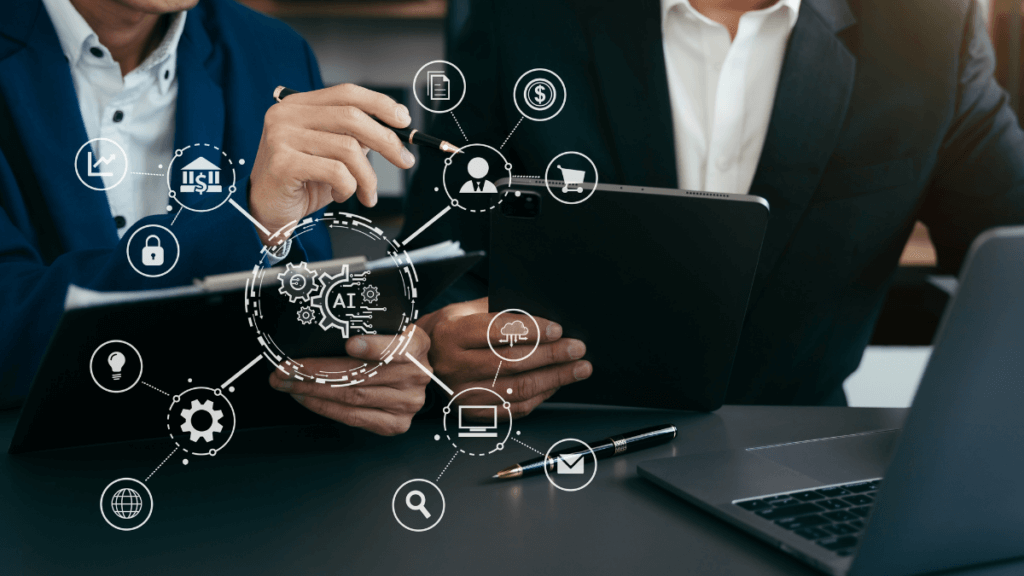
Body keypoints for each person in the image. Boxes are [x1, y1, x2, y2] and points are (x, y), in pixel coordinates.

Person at [402, 0, 1024, 412]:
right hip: (559, 449)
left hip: (798, 458)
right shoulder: (518, 15)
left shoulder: (930, 28)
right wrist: (438, 336)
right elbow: (433, 263)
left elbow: (1010, 239)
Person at [0, 0, 432, 436]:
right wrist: (250, 224)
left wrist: (370, 354)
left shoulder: (274, 52)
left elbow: (300, 316)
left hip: (242, 470)